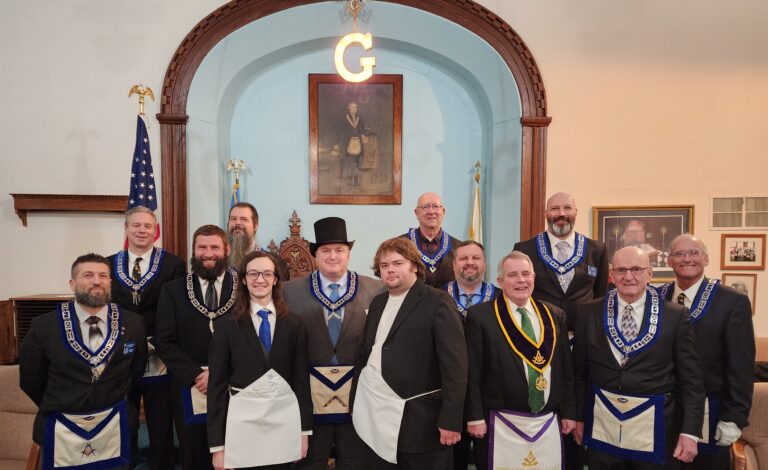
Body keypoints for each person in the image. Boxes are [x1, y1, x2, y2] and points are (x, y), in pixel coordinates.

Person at [572, 246, 705, 469]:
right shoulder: (588, 312)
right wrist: (577, 417)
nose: (628, 277)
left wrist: (690, 431)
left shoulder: (675, 315)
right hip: (603, 429)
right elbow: (579, 373)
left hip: (656, 430)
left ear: (649, 273)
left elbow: (691, 381)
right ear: (611, 275)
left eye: (636, 269)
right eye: (621, 270)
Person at [20, 253, 147, 469]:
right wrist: (67, 402)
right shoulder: (43, 326)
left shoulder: (133, 323)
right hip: (62, 428)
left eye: (103, 276)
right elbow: (31, 380)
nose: (97, 281)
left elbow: (136, 370)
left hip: (115, 426)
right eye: (88, 275)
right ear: (72, 283)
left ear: (110, 282)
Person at [352, 237, 468, 469]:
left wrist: (451, 419)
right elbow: (368, 353)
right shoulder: (377, 303)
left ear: (414, 265)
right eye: (384, 265)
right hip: (378, 417)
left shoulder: (437, 301)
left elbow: (456, 367)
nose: (390, 270)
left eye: (397, 263)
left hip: (422, 423)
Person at [283, 217, 383, 470]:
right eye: (325, 250)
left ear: (349, 254)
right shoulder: (289, 291)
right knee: (309, 463)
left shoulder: (376, 289)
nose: (333, 256)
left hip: (358, 398)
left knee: (356, 463)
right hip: (309, 399)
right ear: (315, 255)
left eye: (339, 250)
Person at [465, 251, 577, 470]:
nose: (521, 280)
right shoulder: (481, 316)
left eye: (526, 274)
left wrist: (569, 412)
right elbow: (472, 371)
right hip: (500, 420)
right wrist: (474, 417)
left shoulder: (555, 315)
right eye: (513, 275)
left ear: (534, 278)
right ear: (500, 281)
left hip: (547, 421)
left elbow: (566, 370)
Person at [207, 251, 312, 469]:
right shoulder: (226, 326)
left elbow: (301, 381)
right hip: (242, 424)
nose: (260, 279)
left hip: (282, 423)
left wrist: (303, 432)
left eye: (267, 273)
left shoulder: (294, 324)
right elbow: (216, 388)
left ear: (275, 279)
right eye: (253, 273)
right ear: (244, 280)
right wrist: (218, 447)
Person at [659, 234, 755, 469]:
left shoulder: (732, 301)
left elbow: (741, 366)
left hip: (710, 410)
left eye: (694, 253)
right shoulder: (656, 297)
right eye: (679, 254)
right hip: (662, 410)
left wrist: (734, 417)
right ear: (669, 261)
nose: (687, 259)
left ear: (706, 259)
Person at [108, 206, 186, 469]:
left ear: (156, 231)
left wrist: (156, 342)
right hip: (121, 356)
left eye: (147, 226)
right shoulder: (107, 264)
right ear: (126, 228)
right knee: (125, 422)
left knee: (161, 426)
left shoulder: (174, 264)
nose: (142, 230)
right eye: (136, 225)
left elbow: (177, 309)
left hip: (158, 355)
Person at [155, 225, 238, 470]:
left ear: (226, 249)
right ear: (193, 251)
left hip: (234, 381)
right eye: (202, 247)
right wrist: (196, 375)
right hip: (189, 384)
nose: (208, 253)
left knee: (234, 451)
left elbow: (250, 339)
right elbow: (164, 341)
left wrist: (219, 372)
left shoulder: (243, 287)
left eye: (214, 247)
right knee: (193, 454)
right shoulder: (172, 290)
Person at [513, 192, 608, 332]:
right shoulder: (524, 249)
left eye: (567, 208)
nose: (561, 213)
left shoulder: (597, 250)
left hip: (584, 333)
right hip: (540, 331)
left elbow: (601, 295)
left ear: (576, 212)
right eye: (555, 208)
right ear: (546, 214)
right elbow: (516, 293)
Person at [442, 240, 499, 470]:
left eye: (476, 258)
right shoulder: (437, 297)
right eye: (463, 258)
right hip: (448, 393)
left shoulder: (501, 298)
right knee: (452, 460)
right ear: (454, 264)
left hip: (489, 392)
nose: (470, 263)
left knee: (489, 458)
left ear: (485, 263)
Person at [401, 192, 459, 289]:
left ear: (443, 212)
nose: (431, 211)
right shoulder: (399, 246)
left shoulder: (459, 247)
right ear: (416, 213)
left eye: (435, 206)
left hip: (448, 299)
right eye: (425, 207)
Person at [227, 202, 290, 280]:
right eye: (233, 219)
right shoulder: (218, 262)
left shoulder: (278, 264)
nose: (237, 223)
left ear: (255, 226)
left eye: (244, 219)